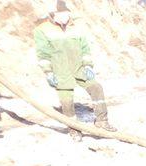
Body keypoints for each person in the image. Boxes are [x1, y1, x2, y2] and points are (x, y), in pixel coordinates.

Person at [35, 1, 116, 141]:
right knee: (66, 101)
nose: (65, 18)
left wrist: (88, 65)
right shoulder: (42, 30)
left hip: (79, 68)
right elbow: (43, 54)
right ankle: (74, 129)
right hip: (60, 71)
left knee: (96, 88)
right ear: (53, 15)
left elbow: (85, 49)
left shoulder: (76, 27)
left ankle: (102, 121)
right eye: (61, 15)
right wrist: (48, 73)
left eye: (67, 14)